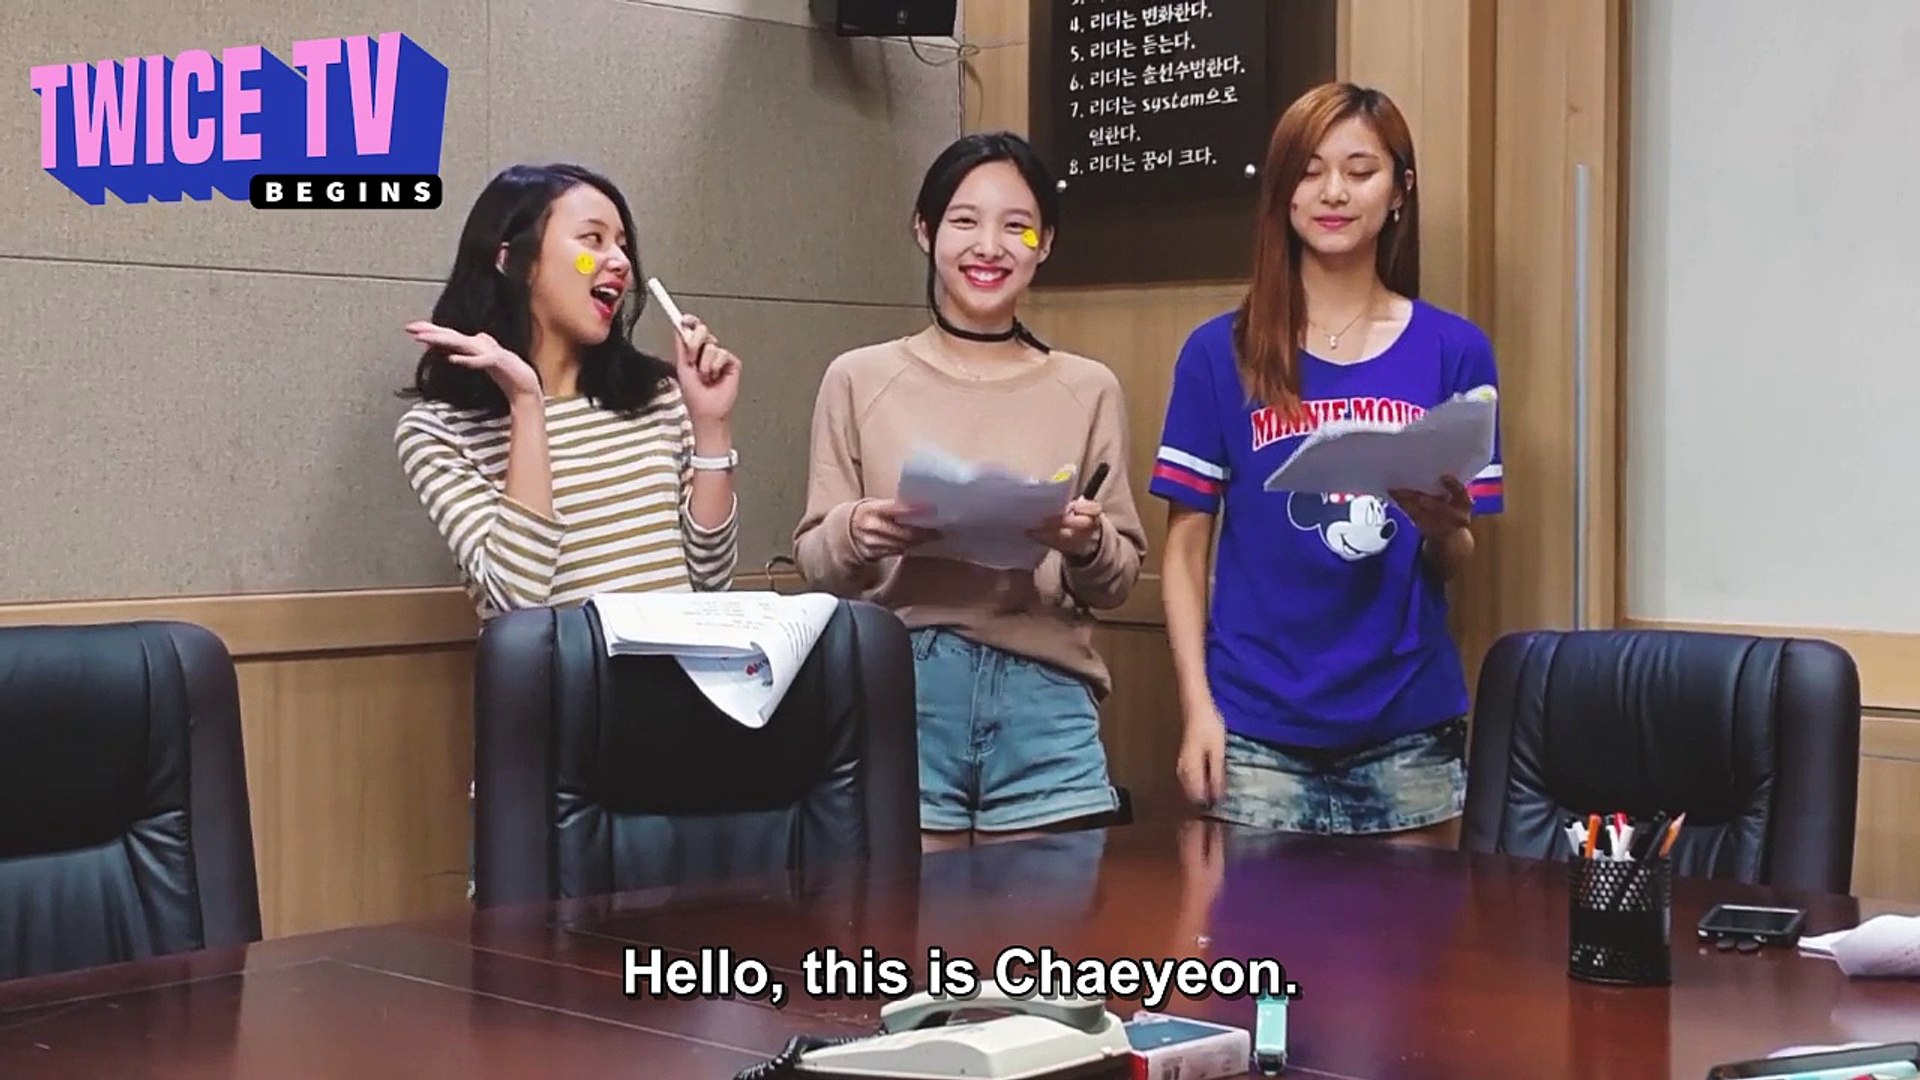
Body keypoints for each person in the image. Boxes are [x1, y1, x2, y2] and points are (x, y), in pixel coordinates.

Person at [1152, 83, 1504, 846]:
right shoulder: (1218, 352)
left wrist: (1446, 529)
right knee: (1254, 929)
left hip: (1408, 723)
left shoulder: (1454, 350)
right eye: (1309, 172)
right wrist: (1197, 708)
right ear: (1281, 193)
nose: (1334, 192)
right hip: (1253, 729)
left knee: (1419, 928)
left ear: (1400, 191)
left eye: (1360, 170)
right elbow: (1184, 549)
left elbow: (1455, 557)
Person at [792, 132, 1147, 851]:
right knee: (909, 922)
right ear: (925, 230)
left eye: (1017, 227)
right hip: (904, 687)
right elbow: (817, 563)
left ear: (1045, 243)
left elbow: (1117, 581)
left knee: (1050, 924)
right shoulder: (858, 377)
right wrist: (859, 531)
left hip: (1047, 698)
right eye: (963, 221)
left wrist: (1087, 544)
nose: (990, 246)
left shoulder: (1089, 388)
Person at [395, 162, 742, 618]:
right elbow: (518, 598)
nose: (621, 263)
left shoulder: (657, 397)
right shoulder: (438, 431)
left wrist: (711, 426)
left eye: (622, 245)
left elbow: (711, 580)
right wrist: (526, 403)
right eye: (592, 240)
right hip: (563, 666)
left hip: (684, 662)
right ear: (514, 263)